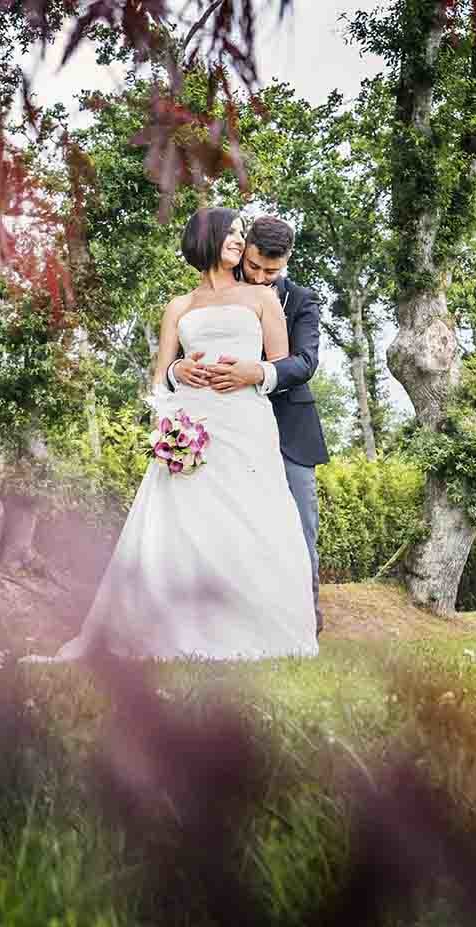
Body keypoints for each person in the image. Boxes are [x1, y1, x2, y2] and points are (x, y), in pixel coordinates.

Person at [25, 208, 317, 662]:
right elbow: (161, 378)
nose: (240, 242)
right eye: (234, 234)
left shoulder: (261, 299)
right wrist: (180, 371)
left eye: (243, 235)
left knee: (251, 521)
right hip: (192, 422)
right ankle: (180, 627)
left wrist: (249, 372)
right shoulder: (178, 306)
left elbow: (281, 363)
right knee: (186, 523)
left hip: (246, 422)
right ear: (208, 240)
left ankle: (262, 630)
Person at [169, 215, 328, 635]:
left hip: (288, 428)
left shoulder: (303, 300)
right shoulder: (215, 292)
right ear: (246, 250)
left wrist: (257, 373)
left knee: (297, 526)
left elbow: (305, 362)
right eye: (254, 266)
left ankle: (303, 620)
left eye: (270, 271)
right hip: (222, 427)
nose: (260, 276)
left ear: (288, 260)